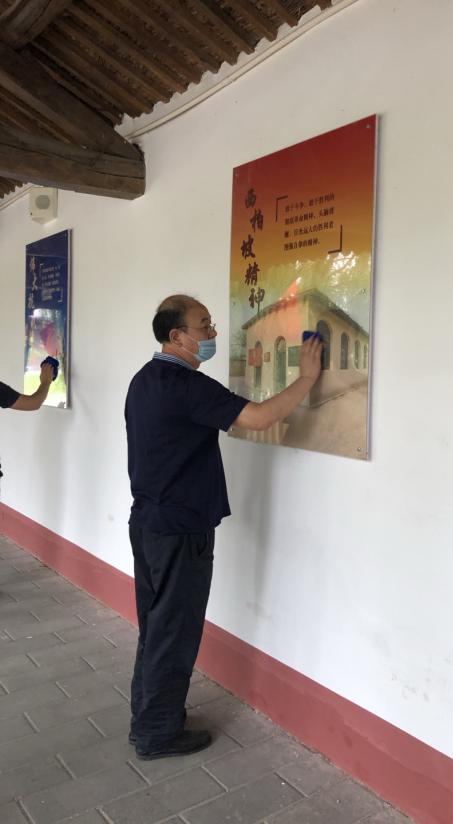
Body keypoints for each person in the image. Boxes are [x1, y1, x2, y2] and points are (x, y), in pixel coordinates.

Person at [125, 294, 322, 760]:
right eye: (204, 326)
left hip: (149, 524)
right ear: (176, 336)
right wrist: (307, 378)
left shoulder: (145, 379)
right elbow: (258, 417)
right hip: (180, 531)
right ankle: (157, 735)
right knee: (174, 631)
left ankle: (151, 718)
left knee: (156, 628)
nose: (213, 333)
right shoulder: (187, 385)